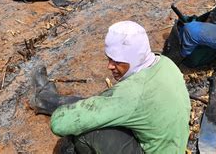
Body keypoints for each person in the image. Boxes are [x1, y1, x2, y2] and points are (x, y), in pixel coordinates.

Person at [29, 21, 191, 154]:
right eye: (109, 59)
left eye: (117, 61)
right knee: (101, 109)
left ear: (133, 58)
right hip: (172, 146)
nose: (110, 66)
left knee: (87, 132)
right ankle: (46, 99)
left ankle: (44, 100)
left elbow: (59, 124)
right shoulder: (165, 63)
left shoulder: (132, 92)